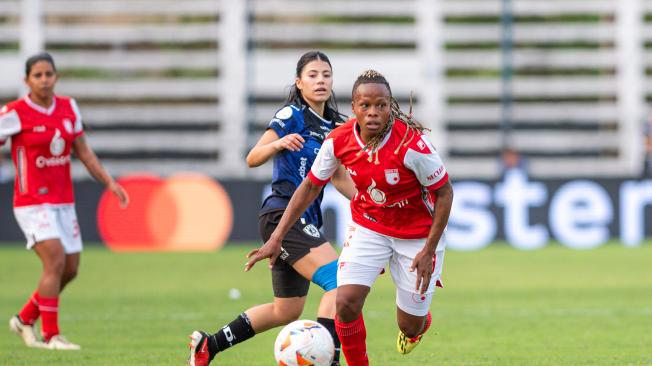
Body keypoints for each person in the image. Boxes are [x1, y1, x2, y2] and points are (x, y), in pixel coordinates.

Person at [246, 70, 454, 365]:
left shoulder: (412, 145)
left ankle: (419, 325)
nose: (372, 113)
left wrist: (428, 249)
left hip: (416, 235)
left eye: (380, 105)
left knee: (409, 324)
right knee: (345, 302)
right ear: (353, 108)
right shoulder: (337, 141)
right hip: (369, 226)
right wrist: (276, 236)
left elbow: (445, 193)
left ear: (390, 105)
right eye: (365, 105)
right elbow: (309, 186)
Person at [188, 51, 355, 366]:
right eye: (313, 75)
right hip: (281, 215)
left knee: (286, 311)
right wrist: (277, 144)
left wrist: (368, 202)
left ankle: (207, 346)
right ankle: (329, 359)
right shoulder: (291, 115)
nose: (320, 80)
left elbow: (340, 176)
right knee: (340, 279)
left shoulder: (337, 125)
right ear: (299, 82)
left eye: (326, 75)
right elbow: (253, 157)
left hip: (306, 221)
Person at [1, 52, 129, 350]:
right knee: (55, 260)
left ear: (56, 76)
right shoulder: (15, 112)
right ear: (26, 80)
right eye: (38, 75)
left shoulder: (69, 107)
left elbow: (83, 151)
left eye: (49, 74)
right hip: (31, 202)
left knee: (70, 268)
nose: (44, 80)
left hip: (63, 201)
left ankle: (23, 320)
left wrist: (109, 182)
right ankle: (52, 336)